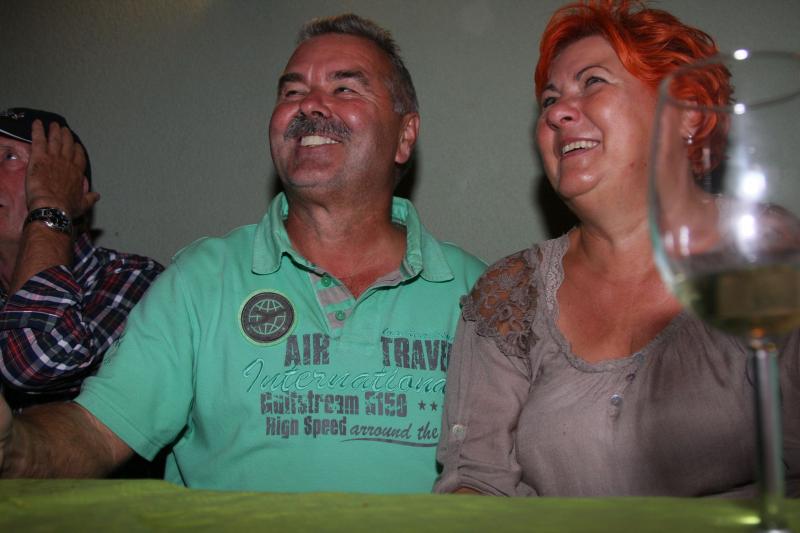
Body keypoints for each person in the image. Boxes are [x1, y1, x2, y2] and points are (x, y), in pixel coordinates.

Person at [0, 14, 485, 493]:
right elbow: (95, 431)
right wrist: (13, 447)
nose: (308, 104)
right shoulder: (200, 279)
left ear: (404, 136)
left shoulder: (480, 294)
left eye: (344, 88)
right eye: (291, 92)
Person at [435, 0, 799, 497]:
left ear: (688, 115)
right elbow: (474, 482)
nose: (557, 112)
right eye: (549, 100)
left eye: (593, 82)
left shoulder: (766, 252)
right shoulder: (509, 294)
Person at [0, 108, 164, 410]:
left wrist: (50, 205)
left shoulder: (137, 281)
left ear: (72, 188)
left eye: (9, 157)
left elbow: (36, 360)